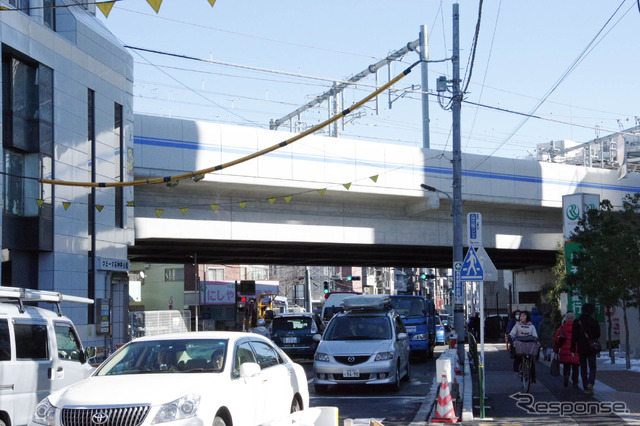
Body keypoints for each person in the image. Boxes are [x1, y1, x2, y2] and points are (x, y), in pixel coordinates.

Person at [571, 303, 600, 395]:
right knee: (593, 366)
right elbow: (598, 335)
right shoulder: (594, 321)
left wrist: (572, 349)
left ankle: (585, 386)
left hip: (581, 347)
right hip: (591, 348)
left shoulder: (577, 321)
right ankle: (591, 383)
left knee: (583, 367)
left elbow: (573, 337)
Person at [509, 311, 539, 383]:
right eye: (521, 316)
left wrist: (535, 338)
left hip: (529, 344)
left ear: (527, 317)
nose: (521, 317)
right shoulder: (517, 325)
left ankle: (533, 377)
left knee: (531, 361)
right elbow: (512, 333)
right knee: (518, 357)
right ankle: (516, 371)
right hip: (520, 344)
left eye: (523, 316)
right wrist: (510, 336)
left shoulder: (532, 326)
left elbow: (535, 335)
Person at [553, 311, 579, 388]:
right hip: (576, 351)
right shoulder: (578, 328)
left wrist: (556, 349)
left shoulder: (562, 328)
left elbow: (556, 339)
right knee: (575, 367)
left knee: (566, 366)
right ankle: (575, 382)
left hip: (564, 351)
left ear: (566, 319)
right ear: (574, 318)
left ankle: (566, 376)